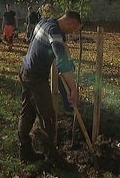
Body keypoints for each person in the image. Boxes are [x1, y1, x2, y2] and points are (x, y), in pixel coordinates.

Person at [18, 11, 82, 169]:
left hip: (25, 70)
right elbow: (61, 61)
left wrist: (68, 60)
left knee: (28, 112)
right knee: (49, 117)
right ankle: (52, 157)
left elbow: (62, 47)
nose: (73, 32)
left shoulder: (45, 22)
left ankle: (24, 150)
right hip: (35, 77)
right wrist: (73, 89)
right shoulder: (54, 31)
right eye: (74, 29)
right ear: (70, 23)